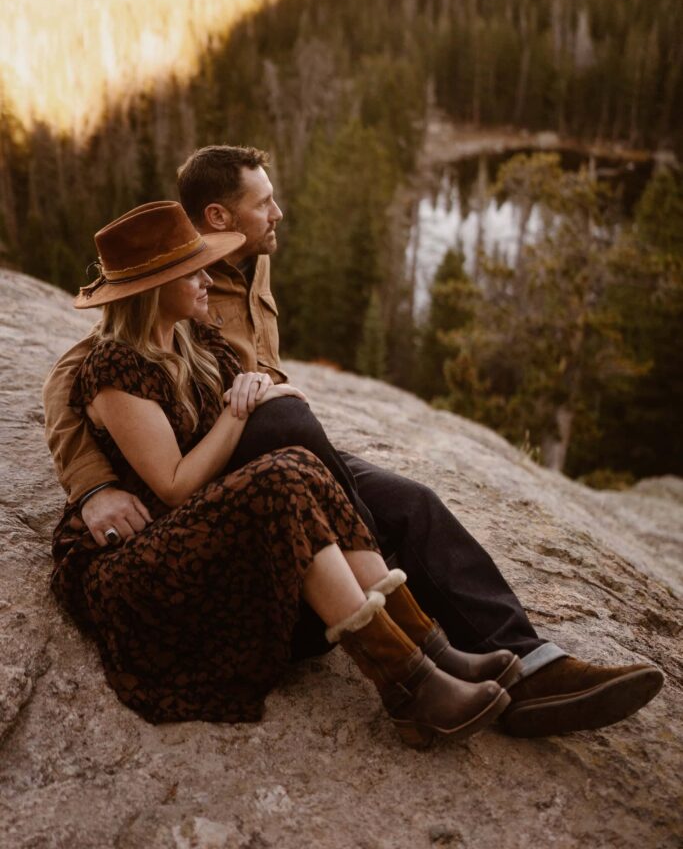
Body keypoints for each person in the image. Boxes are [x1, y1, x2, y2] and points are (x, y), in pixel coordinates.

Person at [44, 147, 664, 739]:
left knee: (410, 502)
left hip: (263, 447)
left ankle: (528, 665)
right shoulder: (162, 294)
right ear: (217, 218)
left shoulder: (246, 266)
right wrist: (93, 484)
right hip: (225, 460)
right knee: (295, 440)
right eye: (264, 203)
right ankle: (414, 653)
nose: (278, 213)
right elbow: (76, 378)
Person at [48, 200, 519, 744]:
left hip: (196, 522)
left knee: (296, 464)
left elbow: (266, 405)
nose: (207, 278)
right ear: (156, 287)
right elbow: (174, 486)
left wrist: (259, 391)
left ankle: (426, 650)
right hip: (137, 554)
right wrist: (236, 410)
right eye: (192, 271)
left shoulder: (195, 340)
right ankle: (405, 684)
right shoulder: (114, 367)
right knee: (280, 478)